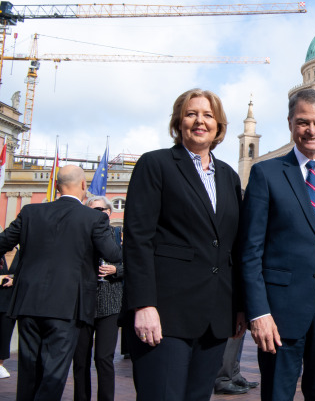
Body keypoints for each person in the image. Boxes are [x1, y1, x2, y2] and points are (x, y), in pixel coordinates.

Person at [122, 88, 245, 401]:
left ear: (219, 126)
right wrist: (144, 304)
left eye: (208, 115)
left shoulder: (229, 176)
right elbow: (139, 240)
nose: (199, 121)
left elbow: (233, 245)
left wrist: (240, 306)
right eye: (191, 114)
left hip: (215, 318)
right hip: (166, 313)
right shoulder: (156, 165)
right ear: (178, 123)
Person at [241, 88, 315, 400]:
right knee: (277, 395)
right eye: (303, 122)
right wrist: (258, 312)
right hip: (278, 316)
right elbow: (250, 250)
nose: (311, 130)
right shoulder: (265, 173)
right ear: (290, 123)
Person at [0, 165, 121, 400]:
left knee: (28, 370)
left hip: (28, 303)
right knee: (54, 373)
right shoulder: (94, 218)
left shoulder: (30, 212)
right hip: (68, 306)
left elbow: (3, 242)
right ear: (84, 186)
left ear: (56, 186)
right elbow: (114, 254)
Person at [73, 196, 124, 401]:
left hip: (110, 302)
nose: (96, 213)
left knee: (104, 358)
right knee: (80, 359)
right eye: (92, 209)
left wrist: (115, 270)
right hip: (83, 303)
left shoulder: (117, 236)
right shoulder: (80, 235)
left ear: (109, 213)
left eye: (100, 209)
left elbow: (133, 266)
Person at [0, 247, 18, 379]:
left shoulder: (22, 254)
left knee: (5, 335)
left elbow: (26, 272)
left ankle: (0, 364)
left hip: (10, 302)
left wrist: (14, 279)